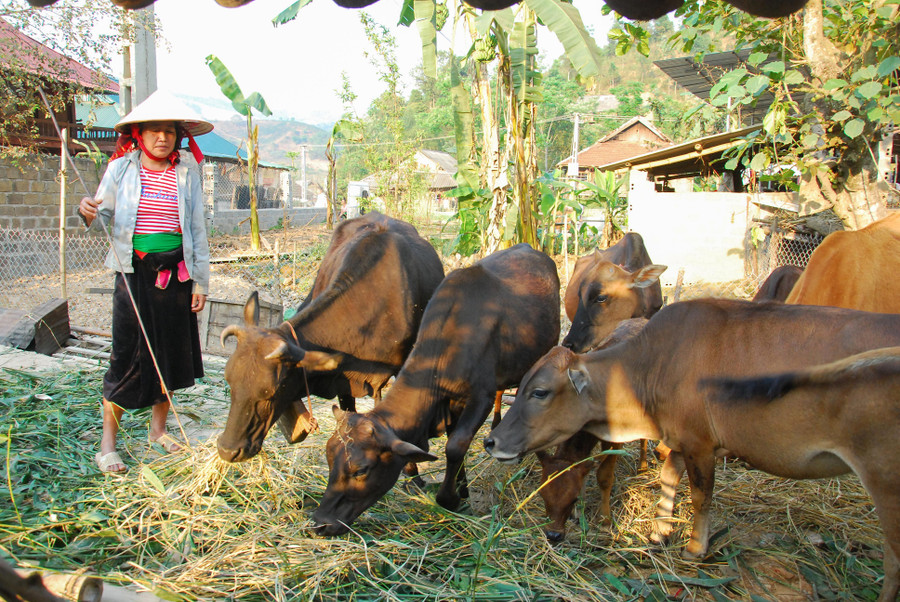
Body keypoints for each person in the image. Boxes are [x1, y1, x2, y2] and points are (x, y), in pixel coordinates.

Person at [79, 90, 212, 473]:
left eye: (168, 131)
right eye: (153, 131)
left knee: (169, 352)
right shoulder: (121, 168)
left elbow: (197, 229)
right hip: (134, 273)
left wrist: (201, 282)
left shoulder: (187, 170)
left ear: (177, 136)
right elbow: (100, 214)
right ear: (138, 135)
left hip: (177, 276)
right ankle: (107, 445)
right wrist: (87, 210)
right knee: (127, 354)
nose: (162, 138)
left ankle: (157, 431)